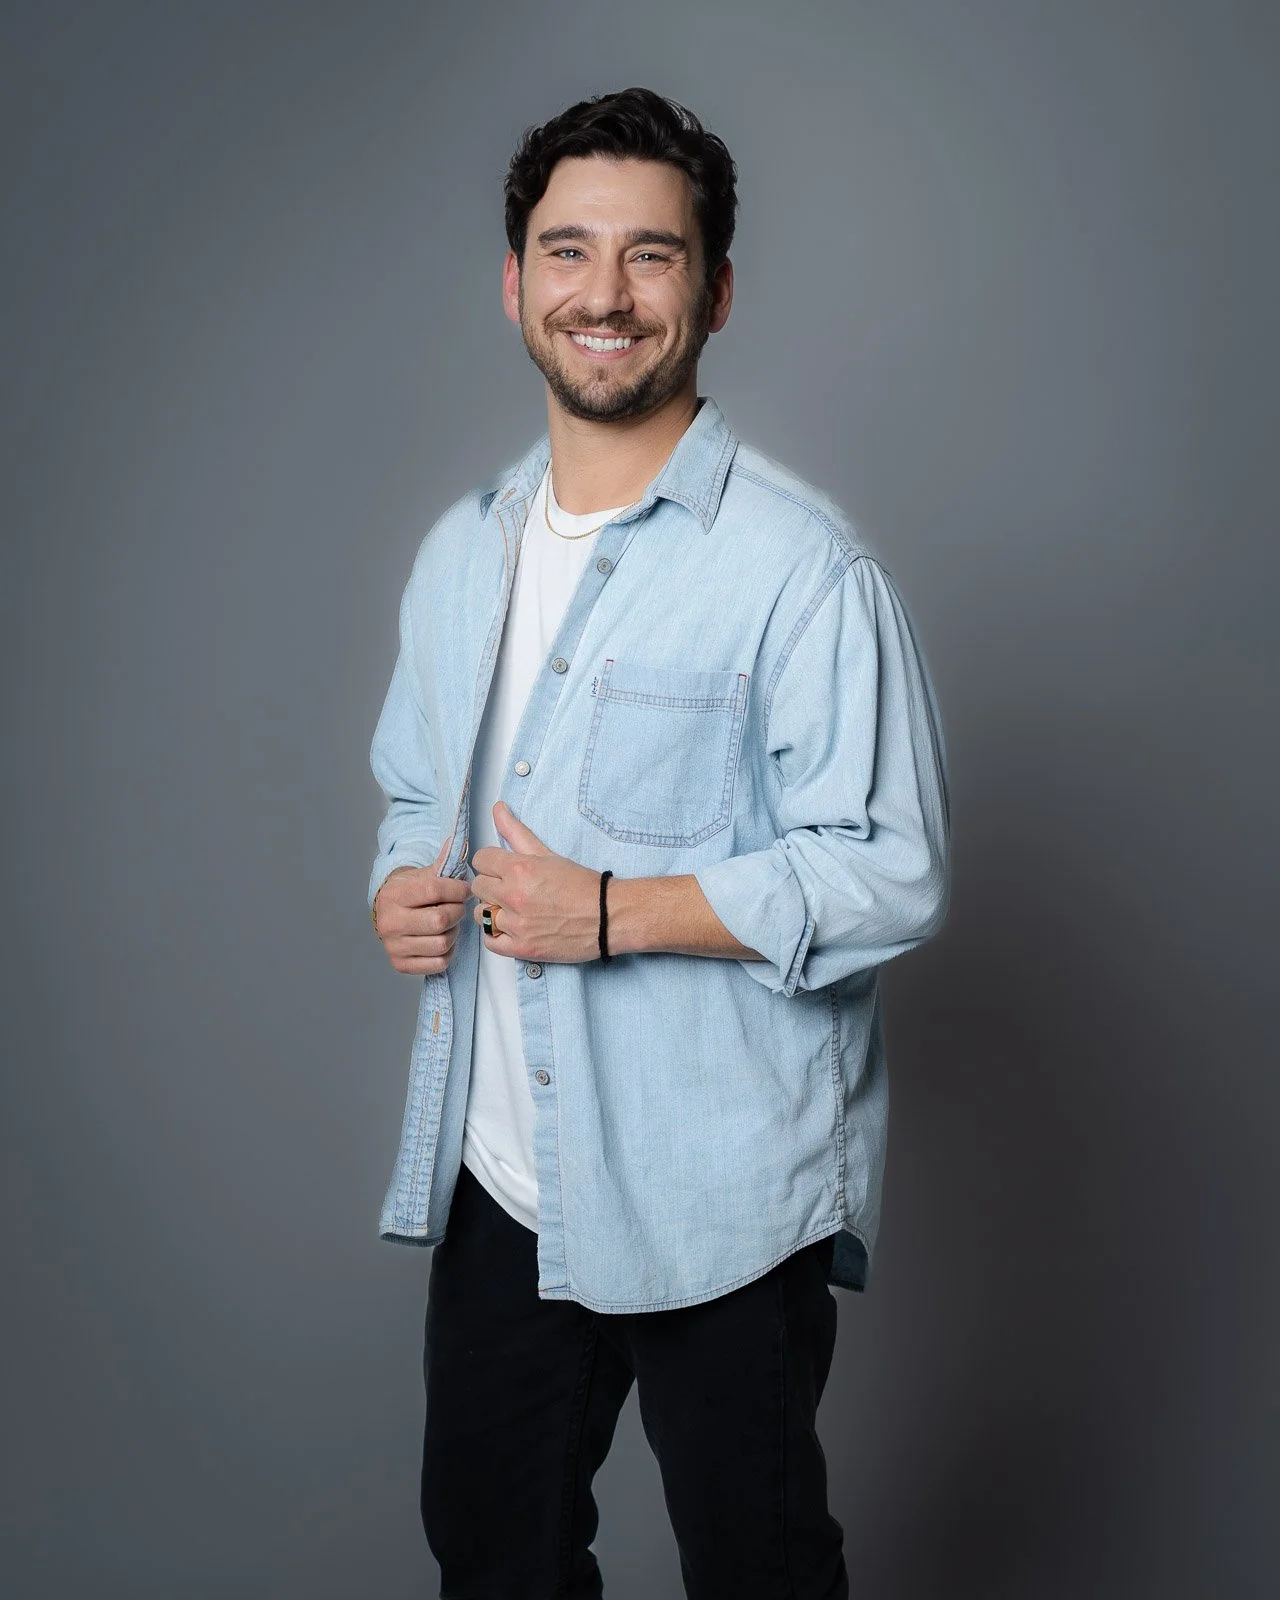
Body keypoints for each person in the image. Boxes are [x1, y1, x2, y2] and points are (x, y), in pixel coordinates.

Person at [367, 85, 951, 1600]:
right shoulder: (459, 552)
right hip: (505, 1181)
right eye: (569, 251)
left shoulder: (802, 569)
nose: (605, 294)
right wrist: (398, 886)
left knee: (758, 1568)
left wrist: (616, 910)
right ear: (515, 285)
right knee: (492, 1560)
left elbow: (892, 869)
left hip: (721, 1196)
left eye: (652, 255)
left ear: (717, 290)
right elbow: (412, 789)